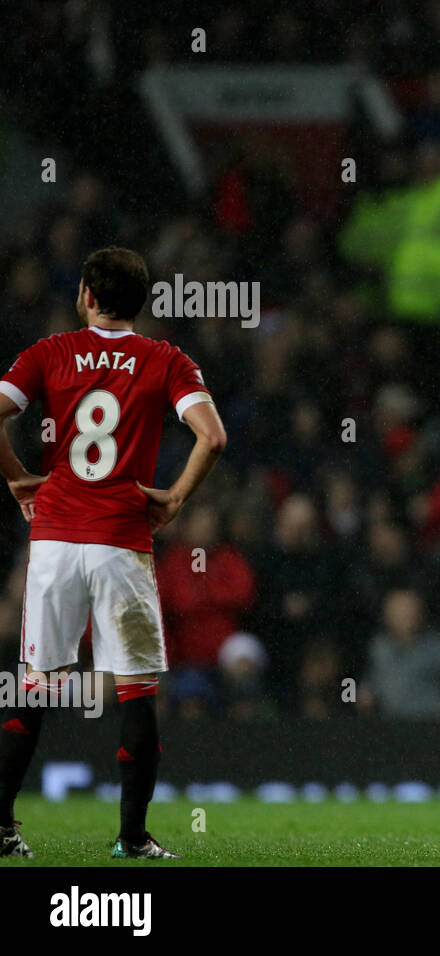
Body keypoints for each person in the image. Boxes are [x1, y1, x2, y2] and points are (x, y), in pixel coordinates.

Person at [0, 247, 227, 859]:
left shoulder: (49, 353)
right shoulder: (164, 359)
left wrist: (19, 475)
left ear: (86, 296)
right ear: (142, 302)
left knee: (36, 686)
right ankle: (130, 838)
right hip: (121, 542)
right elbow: (213, 436)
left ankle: (0, 825)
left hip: (53, 540)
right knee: (134, 691)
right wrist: (176, 496)